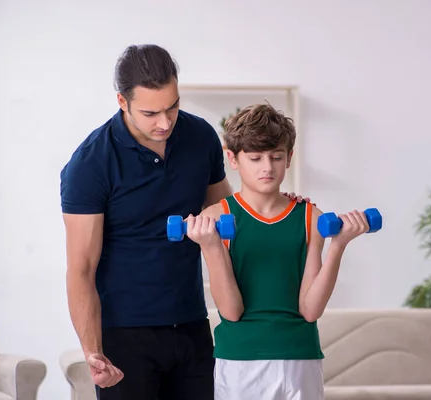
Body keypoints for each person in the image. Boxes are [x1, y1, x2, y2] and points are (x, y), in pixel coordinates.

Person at [59, 44, 310, 400]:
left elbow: (230, 212)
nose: (164, 123)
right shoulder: (90, 164)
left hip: (191, 323)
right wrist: (92, 351)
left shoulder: (200, 137)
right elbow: (81, 269)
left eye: (172, 107)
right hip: (125, 334)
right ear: (121, 101)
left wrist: (281, 204)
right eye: (150, 113)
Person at [184, 103, 371, 400]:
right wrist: (210, 245)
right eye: (255, 158)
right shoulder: (217, 218)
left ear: (289, 158)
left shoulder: (311, 217)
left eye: (276, 157)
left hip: (301, 357)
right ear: (232, 158)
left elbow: (310, 310)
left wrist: (339, 245)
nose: (267, 167)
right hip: (240, 360)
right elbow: (231, 312)